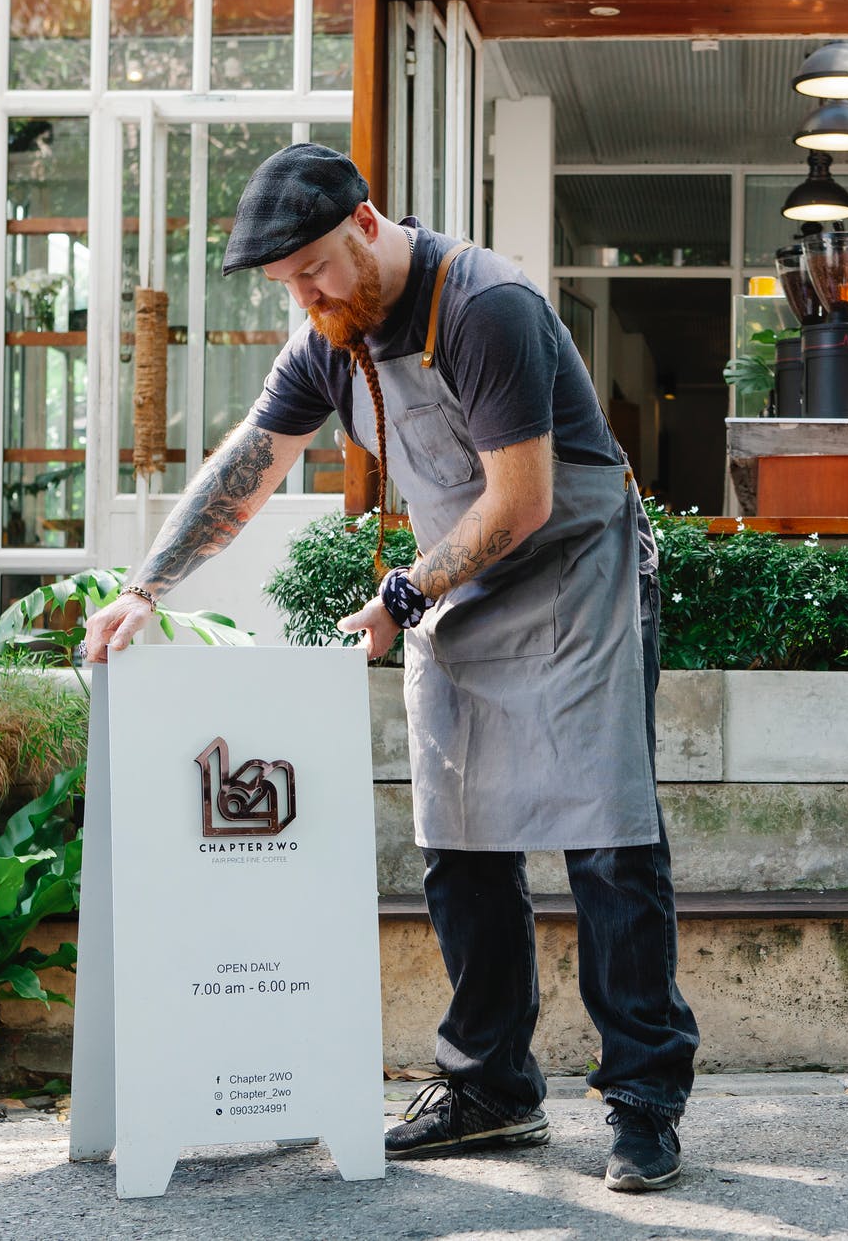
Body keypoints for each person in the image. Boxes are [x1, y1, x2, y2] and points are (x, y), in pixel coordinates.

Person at [81, 143, 699, 1193]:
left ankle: (643, 1099)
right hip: (457, 584)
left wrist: (404, 594)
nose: (305, 295)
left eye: (313, 268)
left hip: (571, 567)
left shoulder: (484, 304)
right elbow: (250, 462)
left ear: (365, 225)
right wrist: (147, 584)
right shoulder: (333, 334)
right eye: (286, 283)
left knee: (606, 840)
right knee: (458, 841)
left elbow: (522, 502)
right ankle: (489, 1085)